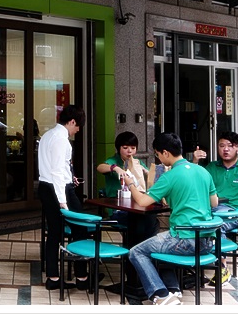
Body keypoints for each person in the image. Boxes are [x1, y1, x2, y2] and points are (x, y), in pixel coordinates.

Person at [124, 132, 218, 306]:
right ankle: (173, 290)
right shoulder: (203, 171)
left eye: (158, 154)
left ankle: (160, 295)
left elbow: (143, 201)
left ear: (165, 153)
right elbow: (214, 202)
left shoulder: (170, 176)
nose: (159, 159)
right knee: (160, 246)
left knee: (136, 252)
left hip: (184, 239)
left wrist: (130, 183)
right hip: (206, 241)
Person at [38, 104, 100, 290]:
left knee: (54, 232)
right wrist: (63, 201)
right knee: (80, 229)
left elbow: (53, 167)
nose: (78, 130)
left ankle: (53, 277)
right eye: (78, 126)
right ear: (72, 121)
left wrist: (69, 176)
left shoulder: (48, 135)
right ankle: (82, 277)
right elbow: (57, 172)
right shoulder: (61, 140)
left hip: (45, 186)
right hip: (59, 190)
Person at [192, 131, 238, 286]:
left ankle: (222, 267)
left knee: (216, 225)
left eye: (230, 146)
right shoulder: (212, 167)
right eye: (221, 145)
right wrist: (195, 161)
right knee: (193, 222)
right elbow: (193, 182)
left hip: (235, 214)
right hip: (212, 210)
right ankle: (194, 261)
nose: (225, 149)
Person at [96, 131, 159, 241]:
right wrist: (115, 168)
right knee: (142, 222)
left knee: (151, 220)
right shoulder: (113, 161)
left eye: (133, 148)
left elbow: (150, 176)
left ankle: (140, 247)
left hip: (137, 206)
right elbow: (100, 167)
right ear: (118, 148)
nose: (129, 151)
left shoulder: (137, 163)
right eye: (125, 148)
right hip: (119, 209)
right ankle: (137, 248)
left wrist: (146, 171)